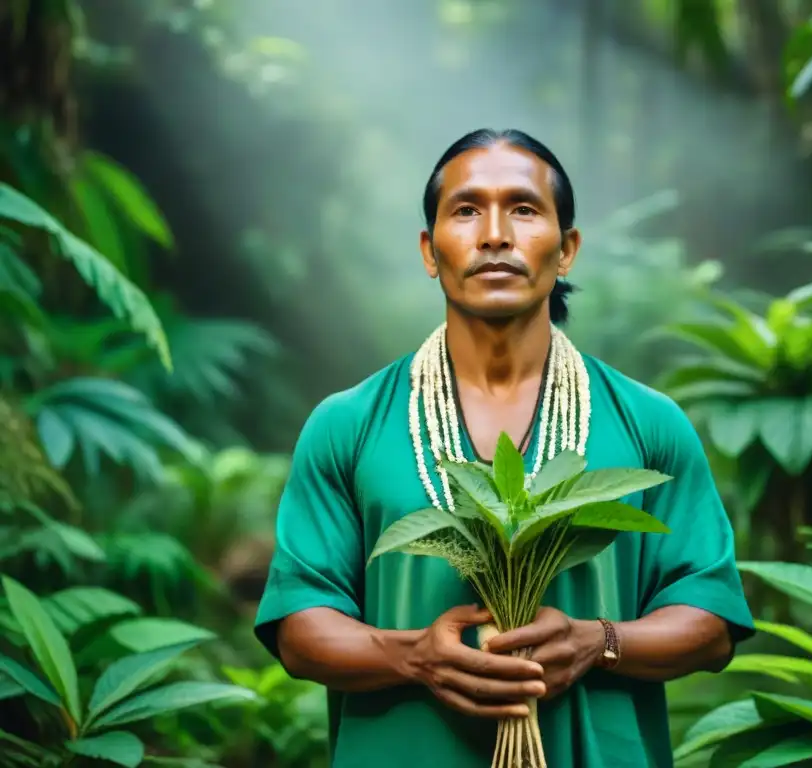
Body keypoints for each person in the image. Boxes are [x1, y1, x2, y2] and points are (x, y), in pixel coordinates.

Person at [253, 128, 755, 767]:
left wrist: (595, 641)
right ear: (430, 251)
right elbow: (300, 628)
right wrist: (415, 657)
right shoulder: (347, 424)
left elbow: (710, 623)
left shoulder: (648, 424)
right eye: (466, 210)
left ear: (567, 249)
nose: (495, 233)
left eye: (523, 208)